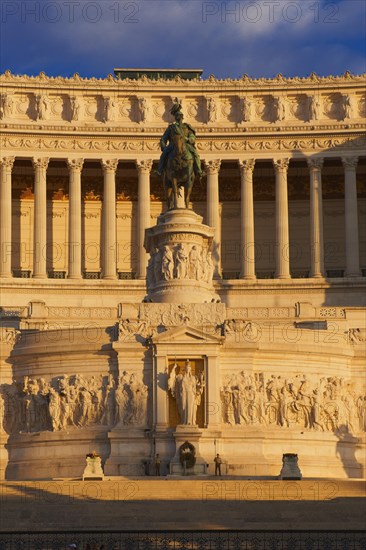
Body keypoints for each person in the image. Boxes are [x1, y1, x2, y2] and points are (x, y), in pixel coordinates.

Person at [157, 103, 203, 178]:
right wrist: (164, 147)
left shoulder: (187, 127)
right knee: (164, 154)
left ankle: (199, 171)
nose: (180, 118)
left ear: (182, 117)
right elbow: (163, 139)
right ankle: (159, 170)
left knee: (196, 154)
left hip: (186, 144)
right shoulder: (171, 128)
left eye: (181, 116)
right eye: (178, 116)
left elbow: (192, 136)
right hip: (172, 145)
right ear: (175, 117)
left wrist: (189, 139)